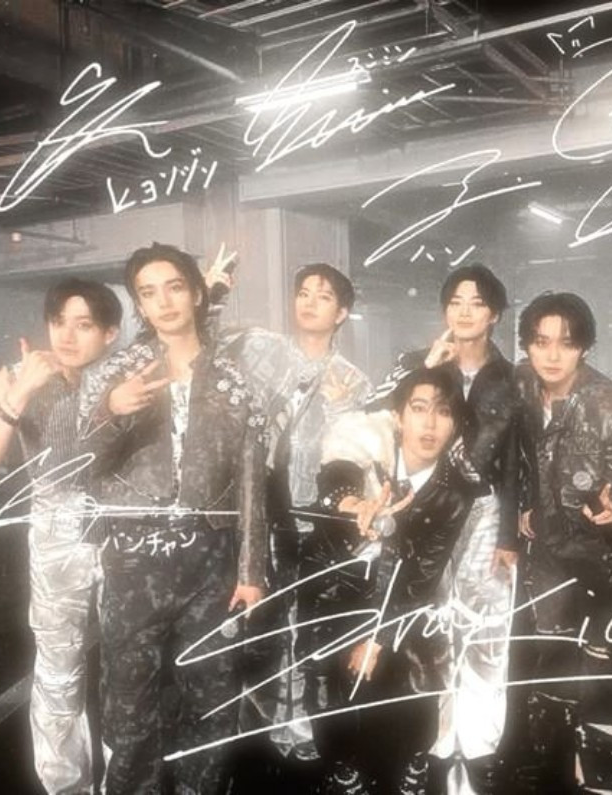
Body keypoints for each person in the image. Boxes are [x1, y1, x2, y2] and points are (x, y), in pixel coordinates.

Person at [81, 242, 267, 794]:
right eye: (148, 292)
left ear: (198, 294)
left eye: (175, 287)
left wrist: (251, 570)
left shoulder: (234, 380)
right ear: (139, 305)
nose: (163, 302)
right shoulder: (116, 373)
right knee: (129, 705)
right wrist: (111, 412)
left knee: (212, 698)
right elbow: (81, 464)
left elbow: (252, 481)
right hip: (133, 560)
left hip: (209, 564)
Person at [0, 279, 121, 795]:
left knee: (129, 665)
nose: (67, 336)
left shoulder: (126, 375)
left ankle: (126, 781)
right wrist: (21, 391)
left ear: (110, 333)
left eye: (84, 324)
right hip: (57, 529)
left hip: (125, 527)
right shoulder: (15, 377)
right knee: (59, 666)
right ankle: (66, 786)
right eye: (58, 322)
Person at [365, 264, 523, 793]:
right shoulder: (418, 361)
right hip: (424, 503)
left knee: (484, 628)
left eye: (476, 303)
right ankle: (433, 741)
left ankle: (478, 745)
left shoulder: (511, 377)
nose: (464, 311)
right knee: (429, 623)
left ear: (494, 313)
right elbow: (376, 412)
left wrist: (508, 532)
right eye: (455, 301)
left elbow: (518, 458)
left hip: (484, 511)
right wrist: (427, 367)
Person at [217, 261, 372, 760]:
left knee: (305, 625)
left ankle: (300, 728)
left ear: (342, 313)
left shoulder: (353, 381)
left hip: (316, 523)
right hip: (258, 512)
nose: (309, 302)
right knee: (256, 623)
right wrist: (214, 293)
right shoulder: (262, 351)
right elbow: (205, 351)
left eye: (323, 296)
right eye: (303, 292)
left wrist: (342, 409)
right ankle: (256, 726)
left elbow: (357, 455)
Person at [300, 367, 476, 794]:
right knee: (325, 683)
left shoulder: (455, 492)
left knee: (419, 675)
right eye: (419, 408)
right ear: (398, 416)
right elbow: (334, 479)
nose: (430, 424)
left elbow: (422, 574)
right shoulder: (366, 450)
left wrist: (377, 638)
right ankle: (342, 770)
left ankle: (414, 763)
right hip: (335, 586)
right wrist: (353, 504)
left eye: (443, 412)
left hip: (401, 596)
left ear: (456, 425)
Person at [515, 292, 612, 794]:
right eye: (541, 342)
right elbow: (515, 460)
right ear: (528, 346)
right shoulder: (520, 385)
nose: (553, 355)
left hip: (603, 559)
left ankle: (608, 780)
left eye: (567, 344)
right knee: (551, 667)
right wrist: (521, 506)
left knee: (604, 677)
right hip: (547, 558)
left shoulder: (607, 403)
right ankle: (558, 771)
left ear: (585, 348)